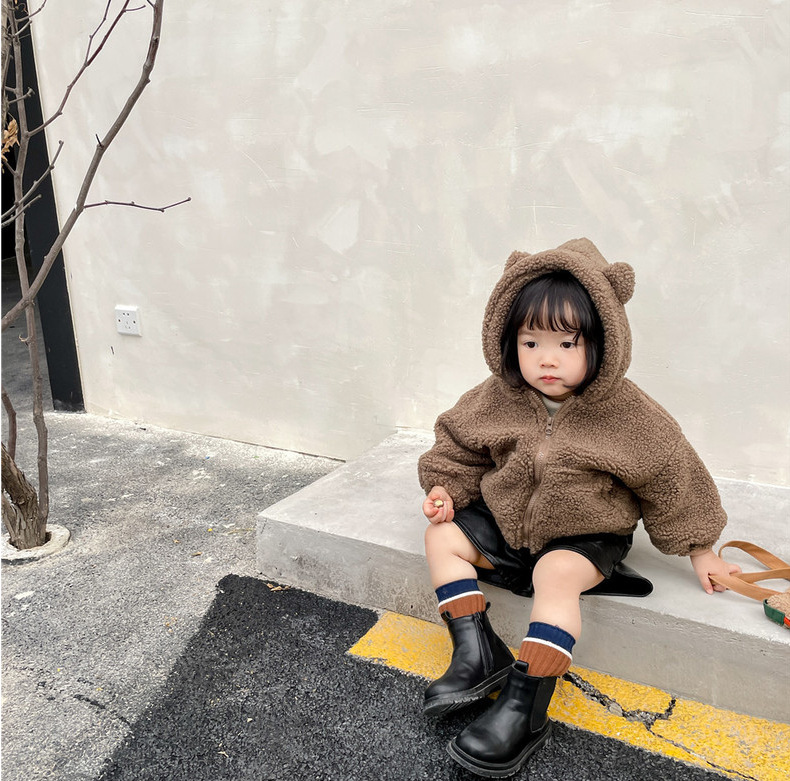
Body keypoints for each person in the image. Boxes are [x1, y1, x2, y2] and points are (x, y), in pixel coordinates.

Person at [417, 238, 741, 778]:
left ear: (602, 342)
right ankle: (476, 651)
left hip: (586, 535)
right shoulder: (495, 397)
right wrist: (446, 489)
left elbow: (672, 475)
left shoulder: (629, 414)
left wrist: (700, 547)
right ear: (508, 341)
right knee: (441, 537)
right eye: (531, 342)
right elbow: (458, 445)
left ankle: (525, 705)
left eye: (567, 343)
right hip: (509, 524)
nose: (547, 359)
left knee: (557, 574)